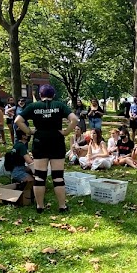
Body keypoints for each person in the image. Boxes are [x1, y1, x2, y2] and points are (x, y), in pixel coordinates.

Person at [15, 84, 79, 213]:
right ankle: (62, 206)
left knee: (39, 176)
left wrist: (29, 131)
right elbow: (74, 119)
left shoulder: (33, 106)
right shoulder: (59, 105)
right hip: (56, 141)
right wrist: (66, 132)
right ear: (53, 95)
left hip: (40, 142)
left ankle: (40, 206)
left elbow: (18, 120)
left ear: (40, 95)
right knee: (58, 177)